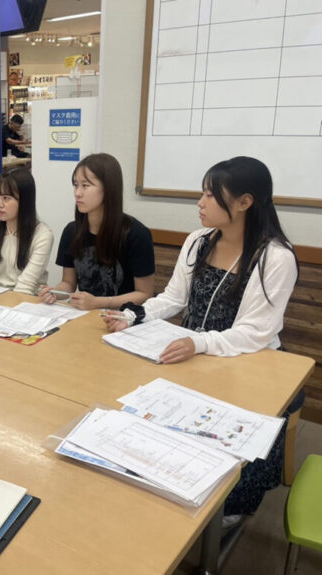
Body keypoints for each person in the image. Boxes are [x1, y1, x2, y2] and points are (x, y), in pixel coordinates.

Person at [103, 156, 298, 518]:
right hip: (191, 353)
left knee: (224, 458)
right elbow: (174, 298)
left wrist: (199, 342)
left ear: (244, 203)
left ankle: (225, 516)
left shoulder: (275, 257)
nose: (200, 203)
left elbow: (254, 334)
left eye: (211, 195)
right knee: (147, 426)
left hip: (248, 363)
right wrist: (135, 315)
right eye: (202, 194)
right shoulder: (198, 241)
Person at [40, 153, 155, 310]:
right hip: (86, 315)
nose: (77, 193)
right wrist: (54, 292)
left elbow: (144, 294)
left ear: (108, 189)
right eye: (75, 185)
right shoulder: (71, 231)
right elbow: (68, 283)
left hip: (123, 319)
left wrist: (98, 303)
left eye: (85, 186)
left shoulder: (137, 234)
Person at [0, 169, 53, 295]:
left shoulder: (42, 235)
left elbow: (26, 285)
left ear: (24, 201)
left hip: (27, 300)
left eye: (6, 198)